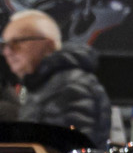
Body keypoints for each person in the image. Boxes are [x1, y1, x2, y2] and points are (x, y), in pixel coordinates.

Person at [0, 11, 112, 141]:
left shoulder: (69, 85)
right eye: (5, 45)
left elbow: (76, 148)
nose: (7, 52)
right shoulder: (45, 85)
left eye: (16, 43)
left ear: (48, 44)